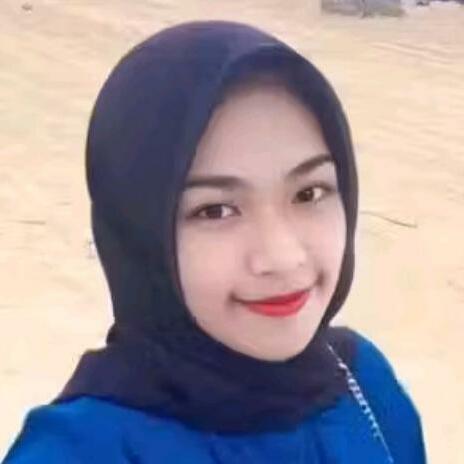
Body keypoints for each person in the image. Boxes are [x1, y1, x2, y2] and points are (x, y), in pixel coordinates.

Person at [3, 21, 427, 463]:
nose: (282, 257)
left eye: (309, 193)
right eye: (216, 210)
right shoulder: (85, 451)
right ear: (139, 235)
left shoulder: (363, 384)